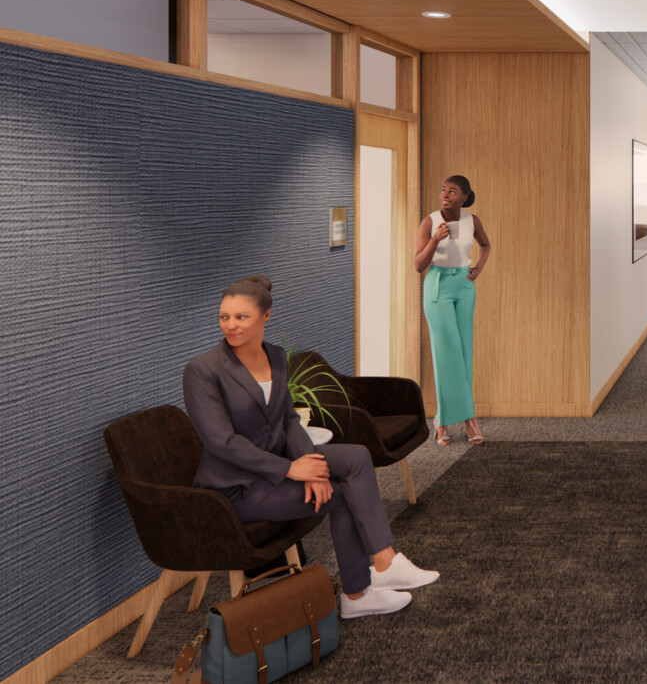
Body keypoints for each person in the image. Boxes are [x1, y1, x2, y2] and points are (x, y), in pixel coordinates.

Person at [183, 275, 440, 619]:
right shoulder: (203, 371)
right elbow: (222, 442)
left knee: (356, 456)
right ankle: (358, 593)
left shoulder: (274, 357)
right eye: (224, 316)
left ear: (265, 317)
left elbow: (288, 419)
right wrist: (293, 469)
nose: (230, 325)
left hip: (279, 462)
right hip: (236, 488)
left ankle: (384, 561)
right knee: (344, 495)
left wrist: (311, 464)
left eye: (241, 317)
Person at [414, 174, 490, 445]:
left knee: (464, 352)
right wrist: (435, 239)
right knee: (446, 353)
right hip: (437, 287)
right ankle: (448, 419)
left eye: (452, 191)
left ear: (464, 197)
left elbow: (486, 244)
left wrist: (478, 268)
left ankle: (458, 418)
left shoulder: (472, 221)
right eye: (443, 190)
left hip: (464, 287)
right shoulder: (430, 222)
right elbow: (418, 265)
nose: (445, 195)